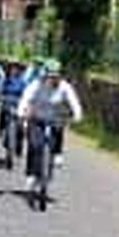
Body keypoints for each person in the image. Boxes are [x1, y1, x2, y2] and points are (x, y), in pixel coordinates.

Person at [17, 57, 82, 187]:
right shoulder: (36, 84)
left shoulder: (65, 87)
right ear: (44, 75)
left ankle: (57, 154)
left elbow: (74, 102)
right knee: (35, 145)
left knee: (58, 128)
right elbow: (25, 98)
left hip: (54, 118)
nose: (52, 79)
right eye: (49, 76)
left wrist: (77, 115)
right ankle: (31, 175)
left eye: (55, 76)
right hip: (37, 117)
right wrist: (21, 112)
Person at [0, 60, 28, 155]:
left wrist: (25, 102)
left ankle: (20, 144)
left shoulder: (22, 81)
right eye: (11, 69)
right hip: (7, 103)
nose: (13, 70)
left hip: (19, 104)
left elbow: (26, 93)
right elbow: (0, 90)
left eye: (15, 69)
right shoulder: (6, 80)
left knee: (22, 125)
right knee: (2, 112)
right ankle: (1, 129)